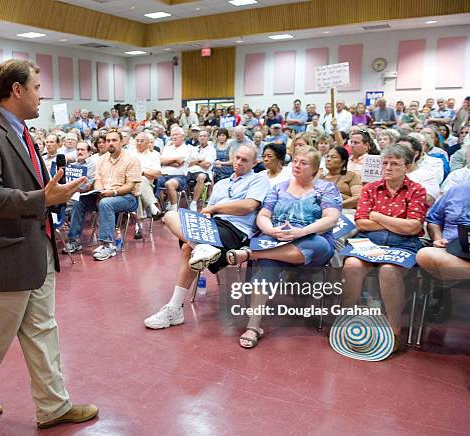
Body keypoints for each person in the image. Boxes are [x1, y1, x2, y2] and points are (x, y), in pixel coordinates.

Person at [0, 59, 97, 428]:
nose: (41, 95)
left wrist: (52, 196)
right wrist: (42, 200)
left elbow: (33, 188)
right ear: (16, 90)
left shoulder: (22, 132)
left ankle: (54, 406)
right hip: (7, 251)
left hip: (37, 245)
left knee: (43, 328)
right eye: (36, 87)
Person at [226, 146, 342, 348]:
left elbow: (331, 219)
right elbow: (263, 216)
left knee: (313, 245)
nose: (297, 165)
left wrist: (301, 232)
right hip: (277, 239)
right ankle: (253, 327)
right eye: (295, 161)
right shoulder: (278, 187)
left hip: (312, 240)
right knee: (267, 268)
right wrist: (271, 231)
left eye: (303, 163)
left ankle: (251, 254)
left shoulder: (326, 189)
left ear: (314, 168)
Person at [144, 145, 271, 329]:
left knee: (188, 248)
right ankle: (201, 246)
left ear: (254, 163)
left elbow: (248, 206)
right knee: (170, 216)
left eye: (245, 160)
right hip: (213, 225)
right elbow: (207, 212)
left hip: (235, 230)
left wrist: (215, 209)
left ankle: (174, 308)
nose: (239, 162)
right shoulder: (221, 184)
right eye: (237, 158)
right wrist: (208, 214)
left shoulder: (259, 180)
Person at [342, 144, 428, 350]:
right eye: (385, 163)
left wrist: (378, 216)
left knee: (388, 270)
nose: (388, 167)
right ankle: (346, 323)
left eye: (395, 164)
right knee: (352, 265)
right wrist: (397, 221)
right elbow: (362, 222)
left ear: (407, 167)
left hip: (404, 243)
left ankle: (393, 331)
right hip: (369, 239)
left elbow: (413, 226)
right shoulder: (370, 188)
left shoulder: (417, 190)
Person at [66, 129, 141, 260]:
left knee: (106, 203)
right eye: (108, 141)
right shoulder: (101, 160)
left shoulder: (131, 159)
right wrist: (99, 191)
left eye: (114, 140)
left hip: (128, 197)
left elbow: (131, 185)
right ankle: (73, 240)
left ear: (121, 142)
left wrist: (113, 193)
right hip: (105, 194)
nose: (110, 143)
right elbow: (98, 179)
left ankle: (108, 246)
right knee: (79, 200)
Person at [416, 182, 470, 281]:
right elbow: (434, 221)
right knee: (424, 254)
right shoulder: (456, 190)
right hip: (451, 252)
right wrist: (439, 239)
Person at [155, 126, 191, 211]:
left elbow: (179, 163)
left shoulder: (187, 148)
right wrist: (175, 159)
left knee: (169, 184)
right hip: (164, 175)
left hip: (179, 176)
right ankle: (158, 208)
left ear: (183, 136)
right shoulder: (168, 148)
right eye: (173, 135)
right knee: (153, 181)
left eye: (177, 135)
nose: (174, 137)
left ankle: (174, 209)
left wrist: (168, 161)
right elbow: (161, 161)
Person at [187, 130, 216, 212]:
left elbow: (207, 165)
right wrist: (200, 160)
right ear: (198, 138)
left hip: (204, 172)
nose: (202, 137)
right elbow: (188, 163)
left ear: (208, 138)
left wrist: (195, 162)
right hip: (189, 171)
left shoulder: (211, 150)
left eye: (204, 136)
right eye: (200, 136)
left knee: (201, 177)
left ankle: (194, 202)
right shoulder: (194, 149)